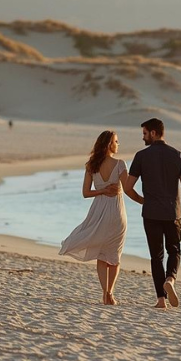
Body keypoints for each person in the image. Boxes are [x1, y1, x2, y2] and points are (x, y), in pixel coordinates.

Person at [57, 130, 134, 305]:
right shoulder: (120, 164)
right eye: (116, 141)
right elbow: (128, 188)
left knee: (102, 254)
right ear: (109, 144)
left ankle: (105, 292)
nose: (118, 144)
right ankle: (110, 293)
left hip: (98, 212)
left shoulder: (91, 165)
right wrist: (145, 199)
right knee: (115, 255)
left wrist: (102, 190)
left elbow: (86, 193)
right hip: (116, 212)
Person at [123, 118, 181, 309]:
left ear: (153, 133)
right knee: (174, 251)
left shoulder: (141, 156)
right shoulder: (178, 155)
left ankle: (161, 300)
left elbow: (127, 188)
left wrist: (142, 200)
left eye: (145, 133)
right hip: (173, 213)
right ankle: (170, 279)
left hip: (151, 213)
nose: (143, 137)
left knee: (156, 256)